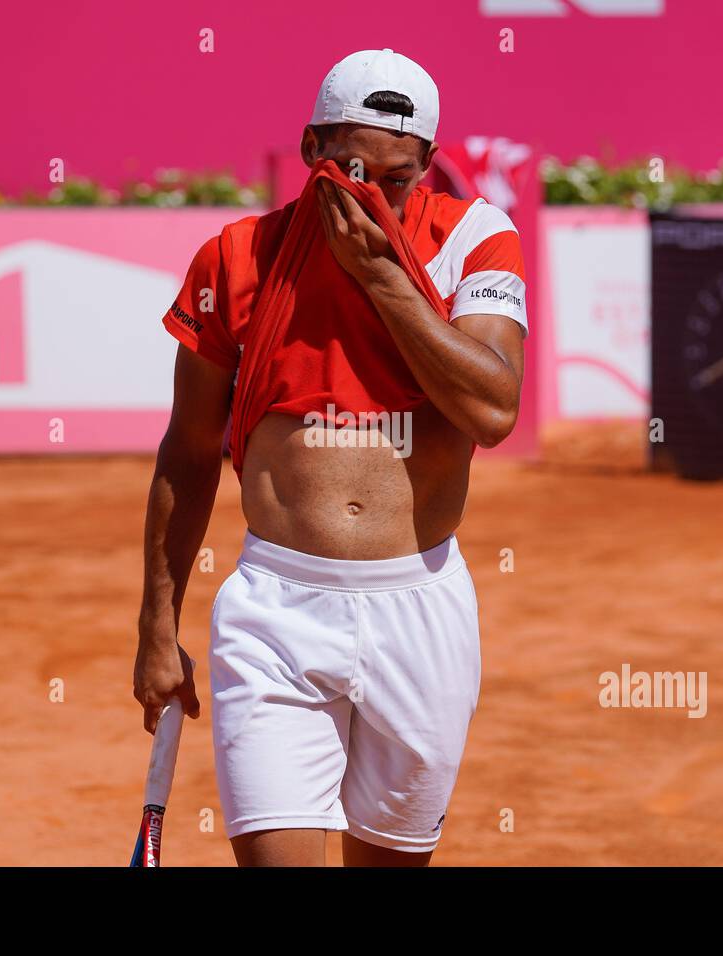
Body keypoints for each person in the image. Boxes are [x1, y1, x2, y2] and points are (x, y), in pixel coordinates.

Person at [133, 48, 527, 866]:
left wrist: (382, 281)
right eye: (349, 165)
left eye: (395, 177)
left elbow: (492, 409)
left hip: (420, 610)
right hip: (275, 610)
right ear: (312, 148)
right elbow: (190, 449)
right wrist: (157, 624)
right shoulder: (236, 257)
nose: (367, 191)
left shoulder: (475, 241)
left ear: (426, 170)